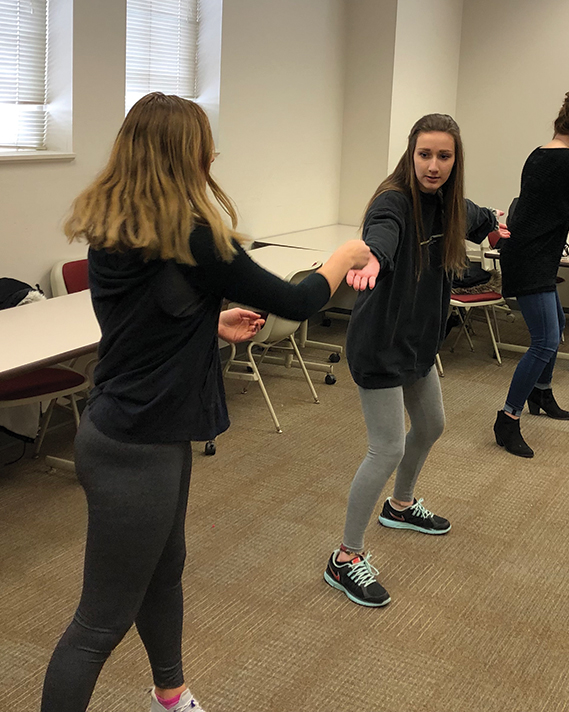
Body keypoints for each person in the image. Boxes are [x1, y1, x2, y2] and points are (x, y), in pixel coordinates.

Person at [41, 92, 370, 712]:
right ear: (188, 156)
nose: (212, 158)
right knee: (99, 624)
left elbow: (140, 317)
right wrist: (343, 258)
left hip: (138, 433)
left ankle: (170, 694)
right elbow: (297, 302)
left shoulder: (119, 231)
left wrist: (205, 322)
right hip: (134, 448)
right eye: (206, 148)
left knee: (164, 573)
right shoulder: (194, 238)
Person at [324, 113, 507, 607]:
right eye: (424, 154)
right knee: (386, 449)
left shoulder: (449, 203)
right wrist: (375, 258)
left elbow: (480, 217)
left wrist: (499, 228)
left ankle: (400, 505)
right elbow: (382, 235)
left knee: (430, 425)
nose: (433, 165)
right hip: (380, 344)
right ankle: (345, 556)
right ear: (411, 154)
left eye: (443, 156)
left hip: (419, 343)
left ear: (455, 160)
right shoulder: (393, 201)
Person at [494, 90, 569, 458]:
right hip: (531, 259)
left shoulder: (537, 154)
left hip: (529, 254)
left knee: (556, 325)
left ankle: (542, 393)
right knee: (545, 341)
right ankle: (508, 418)